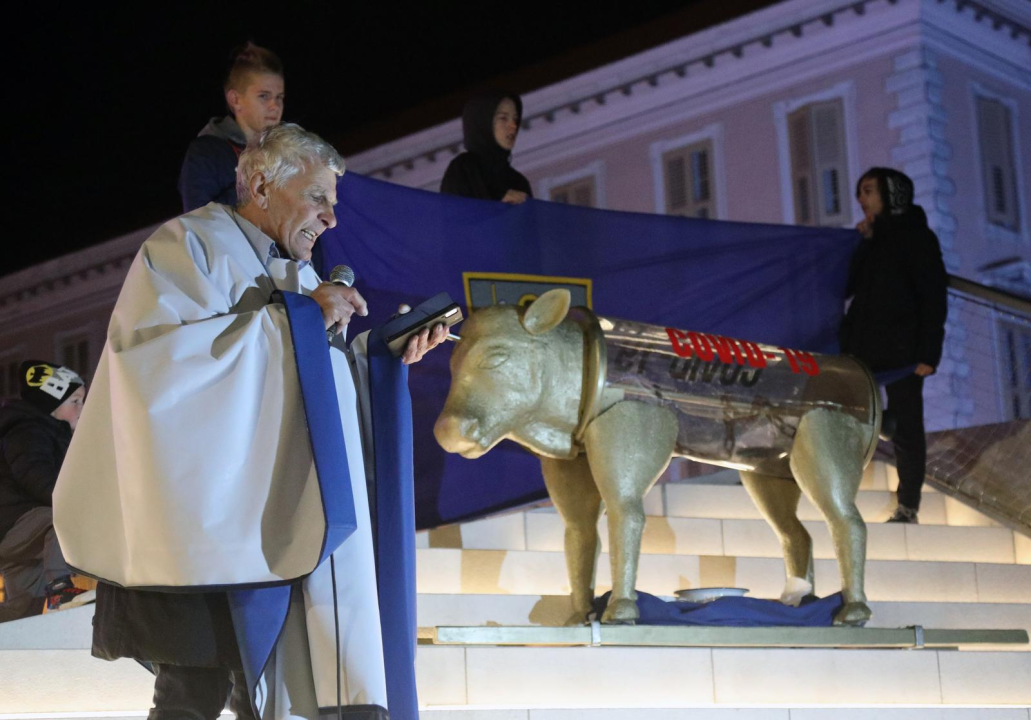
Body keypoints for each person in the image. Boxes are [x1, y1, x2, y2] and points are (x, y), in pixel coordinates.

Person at [54, 124, 445, 719]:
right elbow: (154, 369)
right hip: (200, 534)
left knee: (257, 701)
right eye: (318, 198)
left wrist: (382, 362)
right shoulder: (189, 245)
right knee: (191, 698)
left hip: (278, 530)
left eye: (334, 204)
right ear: (261, 184)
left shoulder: (302, 277)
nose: (331, 220)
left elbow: (318, 398)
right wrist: (296, 322)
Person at [840, 167, 948, 524]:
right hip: (863, 348)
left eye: (869, 191)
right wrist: (863, 242)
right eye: (860, 193)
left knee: (906, 426)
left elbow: (933, 298)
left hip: (904, 351)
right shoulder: (873, 240)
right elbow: (848, 287)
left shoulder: (918, 238)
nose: (862, 199)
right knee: (852, 418)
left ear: (891, 194)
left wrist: (927, 354)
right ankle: (839, 494)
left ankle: (908, 505)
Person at [0, 361, 93, 621]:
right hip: (15, 524)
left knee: (26, 608)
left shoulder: (45, 431)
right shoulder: (28, 430)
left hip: (19, 534)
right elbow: (34, 474)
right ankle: (61, 590)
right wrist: (70, 502)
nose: (81, 408)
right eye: (75, 401)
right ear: (52, 402)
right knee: (64, 519)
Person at [178, 42, 285, 212]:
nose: (275, 105)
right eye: (264, 96)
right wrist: (257, 188)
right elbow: (198, 224)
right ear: (235, 100)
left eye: (279, 97)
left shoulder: (286, 150)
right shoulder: (206, 153)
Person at [440, 91, 532, 203]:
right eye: (503, 118)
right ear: (483, 122)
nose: (513, 126)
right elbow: (454, 215)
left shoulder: (519, 182)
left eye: (515, 119)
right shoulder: (463, 169)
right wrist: (498, 205)